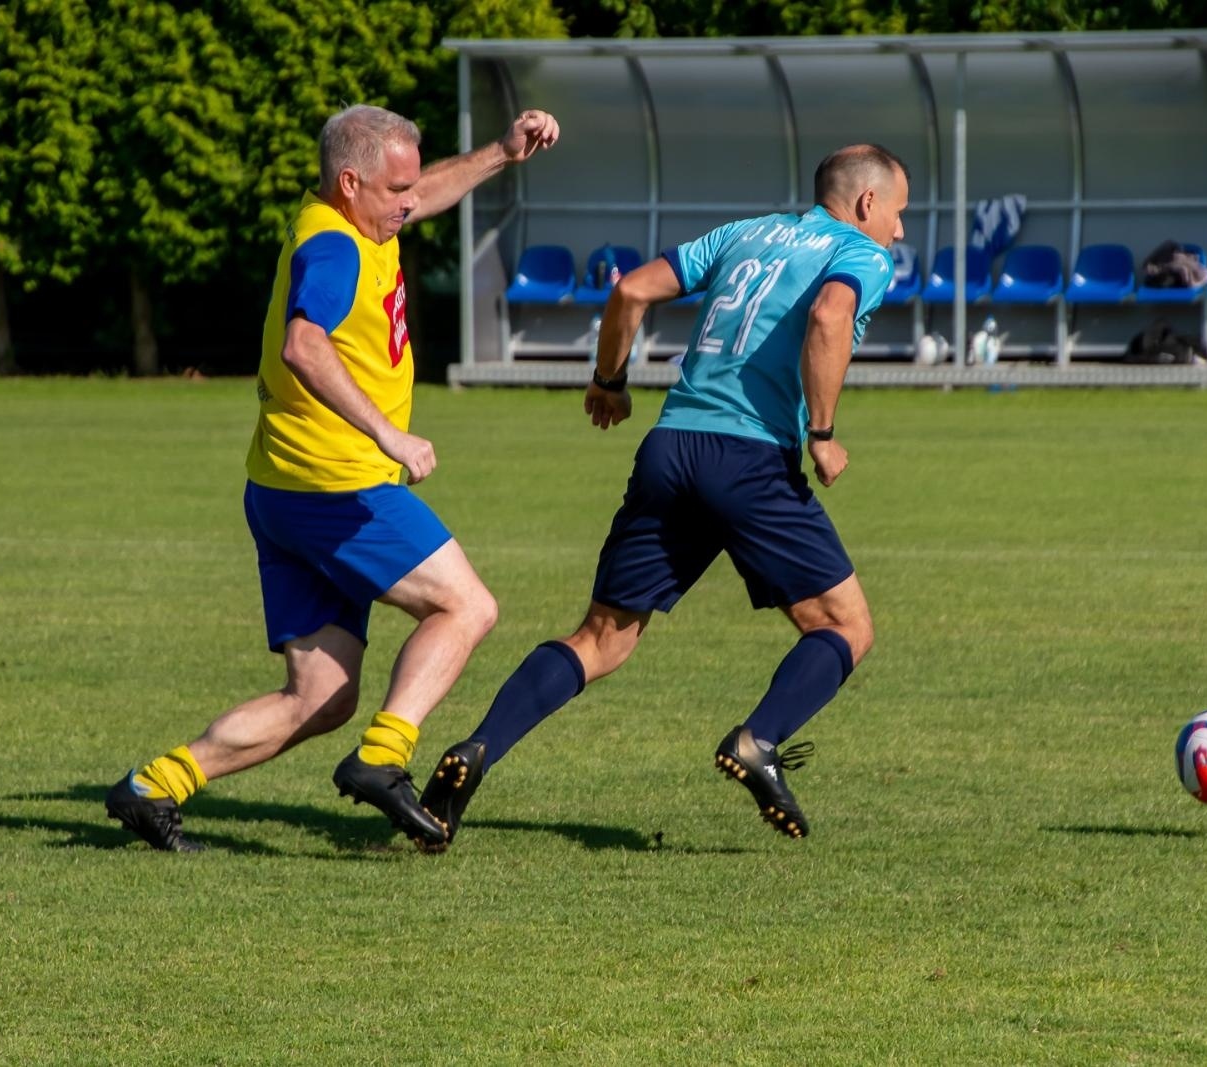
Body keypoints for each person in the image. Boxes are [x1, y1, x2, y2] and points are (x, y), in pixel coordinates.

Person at [418, 144, 909, 848]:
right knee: (846, 627)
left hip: (672, 444)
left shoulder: (743, 234)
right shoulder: (861, 255)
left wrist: (609, 381)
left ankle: (478, 748)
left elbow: (630, 291)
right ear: (867, 204)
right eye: (897, 213)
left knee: (601, 638)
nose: (897, 230)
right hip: (749, 456)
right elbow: (831, 318)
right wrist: (823, 433)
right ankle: (759, 741)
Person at [105, 104, 561, 852]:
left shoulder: (354, 215)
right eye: (395, 190)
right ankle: (384, 759)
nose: (408, 202)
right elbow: (303, 344)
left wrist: (502, 155)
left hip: (282, 488)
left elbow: (426, 191)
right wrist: (389, 433)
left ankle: (155, 784)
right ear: (351, 183)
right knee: (466, 606)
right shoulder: (336, 247)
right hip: (336, 486)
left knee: (321, 695)